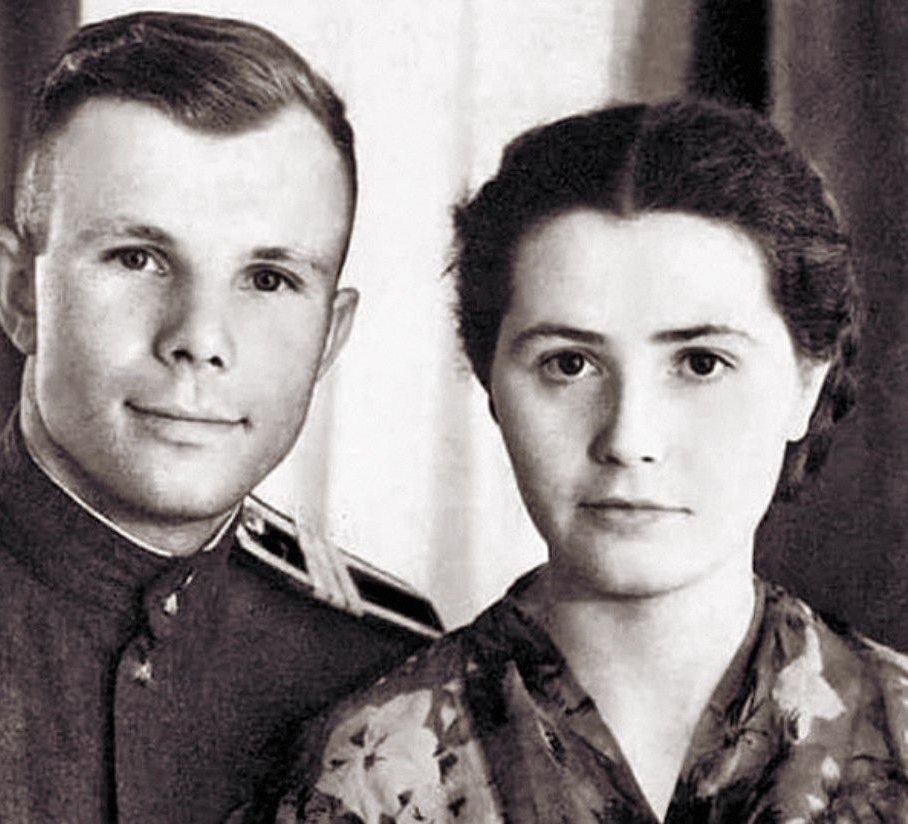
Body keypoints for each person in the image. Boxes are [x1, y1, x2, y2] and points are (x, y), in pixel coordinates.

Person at [0, 12, 441, 822]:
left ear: (330, 335)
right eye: (137, 259)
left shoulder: (393, 675)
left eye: (268, 279)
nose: (199, 339)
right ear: (19, 293)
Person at [270, 100, 908, 822]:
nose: (628, 438)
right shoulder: (368, 768)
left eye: (700, 363)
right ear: (490, 384)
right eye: (568, 364)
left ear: (805, 386)